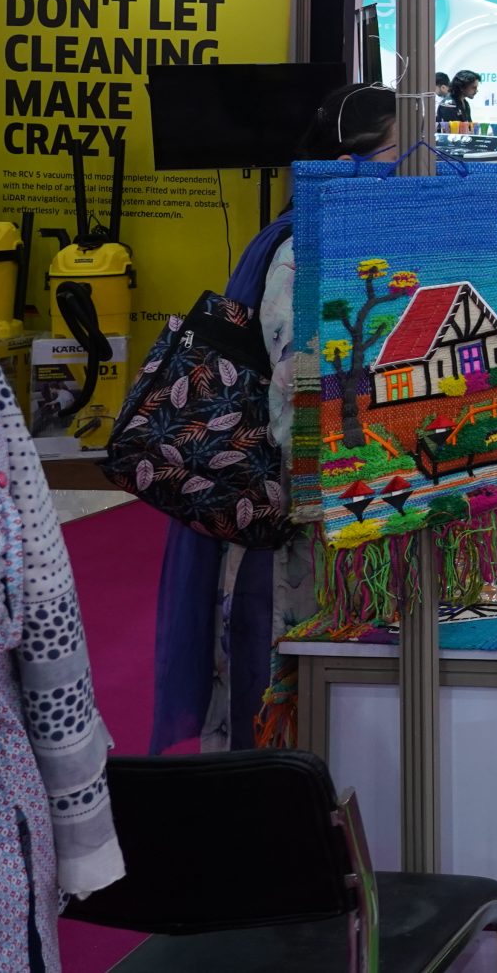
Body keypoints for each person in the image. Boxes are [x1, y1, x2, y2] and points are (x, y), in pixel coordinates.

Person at [155, 82, 396, 760]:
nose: (420, 173)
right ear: (353, 163)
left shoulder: (351, 243)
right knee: (283, 712)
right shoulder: (304, 253)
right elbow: (300, 414)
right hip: (300, 530)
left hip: (350, 516)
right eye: (402, 157)